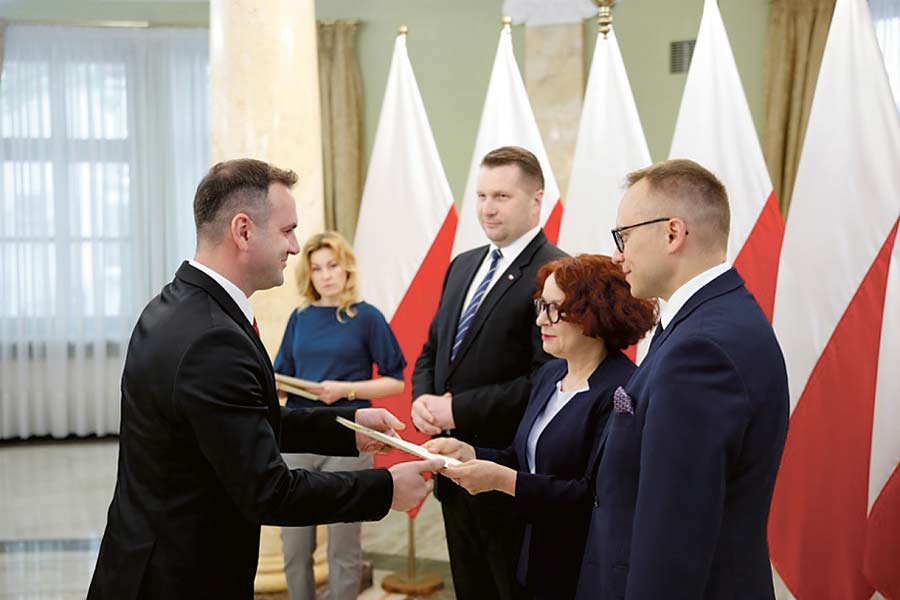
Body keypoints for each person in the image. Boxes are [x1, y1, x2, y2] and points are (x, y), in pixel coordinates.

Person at [87, 159, 440, 600]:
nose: (295, 246)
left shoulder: (177, 304)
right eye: (287, 230)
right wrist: (386, 489)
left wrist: (348, 427)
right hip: (179, 578)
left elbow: (240, 422)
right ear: (243, 231)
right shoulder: (213, 338)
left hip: (150, 560)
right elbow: (269, 492)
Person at [575, 159, 790, 600]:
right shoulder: (709, 319)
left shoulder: (700, 350)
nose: (617, 255)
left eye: (624, 235)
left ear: (673, 233)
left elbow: (673, 539)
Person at [425, 255, 656, 599]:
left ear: (593, 314)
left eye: (554, 309)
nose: (540, 319)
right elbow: (524, 458)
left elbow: (593, 496)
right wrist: (470, 452)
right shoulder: (551, 374)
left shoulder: (621, 391)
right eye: (540, 305)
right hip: (530, 555)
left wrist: (503, 481)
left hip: (581, 567)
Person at [411, 146, 567, 600]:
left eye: (501, 196)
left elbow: (548, 380)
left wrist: (457, 409)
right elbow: (433, 349)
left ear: (536, 200)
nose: (487, 208)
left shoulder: (557, 273)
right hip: (452, 471)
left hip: (508, 473)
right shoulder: (463, 265)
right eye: (481, 196)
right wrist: (424, 401)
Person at [274, 231, 406, 600]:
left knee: (344, 548)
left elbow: (395, 382)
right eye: (317, 268)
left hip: (349, 439)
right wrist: (276, 386)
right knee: (294, 547)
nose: (326, 275)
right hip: (297, 439)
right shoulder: (299, 318)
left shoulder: (367, 317)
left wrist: (345, 390)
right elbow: (281, 376)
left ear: (346, 268)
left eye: (332, 265)